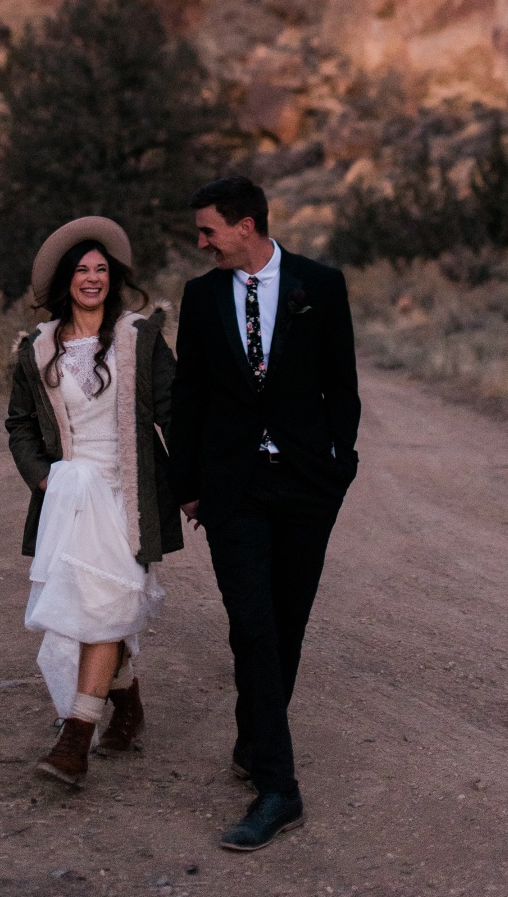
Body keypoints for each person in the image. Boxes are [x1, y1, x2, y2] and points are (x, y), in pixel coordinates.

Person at [169, 176, 360, 853]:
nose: (201, 243)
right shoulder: (201, 295)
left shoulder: (320, 284)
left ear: (246, 225)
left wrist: (340, 466)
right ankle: (279, 789)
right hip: (234, 489)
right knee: (251, 625)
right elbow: (188, 391)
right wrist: (186, 482)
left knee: (284, 625)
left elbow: (342, 385)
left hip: (307, 484)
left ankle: (256, 737)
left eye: (208, 230)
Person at [6, 215, 183, 789]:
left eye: (101, 270)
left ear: (114, 278)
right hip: (70, 498)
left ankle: (75, 740)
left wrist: (198, 485)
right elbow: (19, 426)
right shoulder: (37, 350)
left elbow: (175, 413)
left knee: (104, 609)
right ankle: (126, 706)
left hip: (127, 498)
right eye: (81, 271)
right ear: (65, 281)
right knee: (87, 610)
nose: (92, 279)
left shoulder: (140, 336)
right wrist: (42, 479)